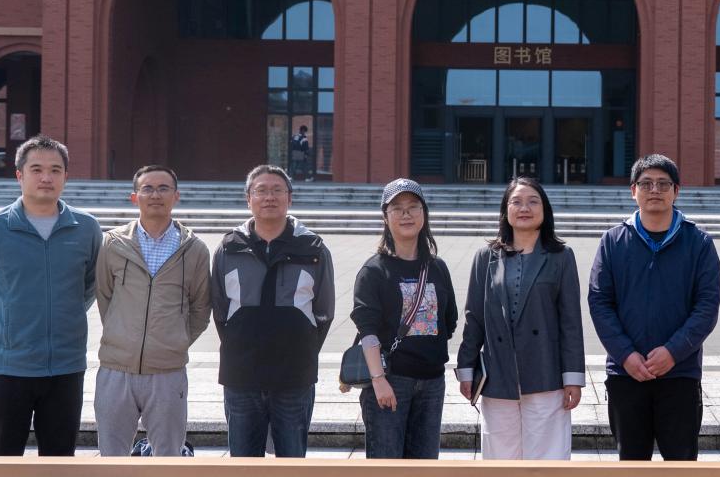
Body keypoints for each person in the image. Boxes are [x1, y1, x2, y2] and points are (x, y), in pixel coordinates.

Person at [0, 135, 102, 457]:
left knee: (59, 463)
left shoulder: (86, 228)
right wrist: (5, 324)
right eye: (36, 169)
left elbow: (91, 285)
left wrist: (63, 316)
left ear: (66, 176)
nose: (46, 177)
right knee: (3, 460)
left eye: (55, 170)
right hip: (8, 367)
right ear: (19, 175)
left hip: (66, 365)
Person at [587, 155, 720, 461]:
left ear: (676, 191)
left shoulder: (698, 243)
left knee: (680, 466)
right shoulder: (613, 242)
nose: (655, 190)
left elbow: (706, 306)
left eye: (663, 183)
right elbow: (600, 302)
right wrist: (626, 355)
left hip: (680, 373)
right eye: (646, 183)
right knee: (632, 467)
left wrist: (673, 352)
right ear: (633, 191)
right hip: (626, 374)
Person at [455, 177, 584, 460]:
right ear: (506, 210)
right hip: (498, 375)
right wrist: (466, 368)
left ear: (545, 210)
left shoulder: (561, 257)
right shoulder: (485, 257)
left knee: (548, 460)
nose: (524, 208)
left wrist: (573, 378)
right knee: (500, 460)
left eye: (533, 201)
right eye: (516, 202)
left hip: (546, 373)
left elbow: (571, 323)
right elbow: (473, 318)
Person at [212, 163, 335, 457]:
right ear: (248, 199)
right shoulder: (229, 248)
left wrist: (300, 345)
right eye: (261, 191)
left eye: (277, 190)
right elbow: (220, 311)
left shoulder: (313, 248)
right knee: (243, 462)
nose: (269, 197)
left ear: (289, 198)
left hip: (294, 373)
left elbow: (324, 312)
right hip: (241, 373)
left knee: (291, 461)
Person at [93, 164, 212, 458]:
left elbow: (200, 307)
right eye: (147, 188)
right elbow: (105, 296)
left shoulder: (194, 249)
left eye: (163, 188)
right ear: (135, 197)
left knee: (168, 457)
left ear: (176, 196)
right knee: (111, 457)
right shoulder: (113, 243)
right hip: (116, 369)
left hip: (167, 372)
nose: (155, 195)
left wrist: (175, 340)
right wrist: (122, 334)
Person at [351, 179, 459, 459]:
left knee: (424, 470)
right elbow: (367, 330)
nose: (406, 214)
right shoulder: (374, 271)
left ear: (424, 214)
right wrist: (378, 380)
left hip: (432, 383)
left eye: (413, 207)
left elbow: (449, 322)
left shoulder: (437, 268)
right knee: (386, 470)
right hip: (390, 381)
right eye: (397, 208)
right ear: (385, 217)